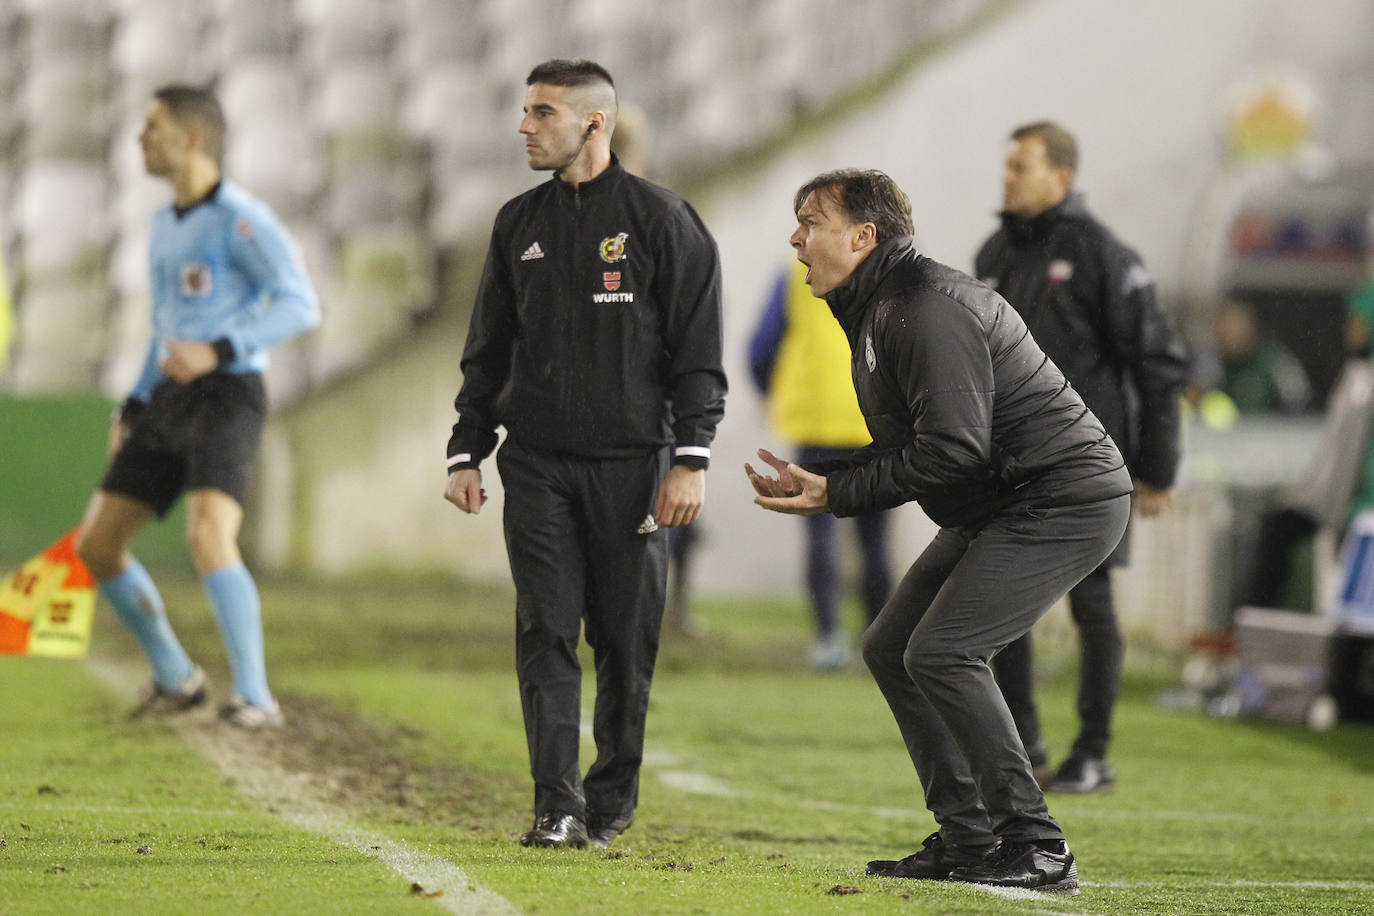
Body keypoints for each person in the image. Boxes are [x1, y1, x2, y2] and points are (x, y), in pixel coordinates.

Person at [747, 169, 1131, 893]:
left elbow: (955, 447)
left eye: (810, 222)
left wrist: (840, 490)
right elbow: (928, 442)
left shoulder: (924, 305)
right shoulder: (878, 305)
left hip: (1061, 496)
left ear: (863, 237)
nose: (796, 240)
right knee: (892, 647)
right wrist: (830, 481)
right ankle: (968, 835)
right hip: (1005, 499)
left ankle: (1037, 844)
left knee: (945, 652)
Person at [443, 59, 726, 850]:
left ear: (594, 123)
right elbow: (488, 352)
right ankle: (557, 805)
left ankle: (611, 797)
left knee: (625, 641)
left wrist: (691, 458)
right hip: (535, 465)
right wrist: (466, 452)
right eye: (526, 111)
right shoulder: (516, 224)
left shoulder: (665, 221)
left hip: (636, 466)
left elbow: (698, 355)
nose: (525, 126)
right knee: (544, 629)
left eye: (542, 112)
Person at [76, 85, 321, 729]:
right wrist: (131, 404)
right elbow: (165, 327)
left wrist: (220, 347)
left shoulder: (243, 218)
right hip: (167, 396)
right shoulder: (163, 226)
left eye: (152, 125)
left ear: (191, 139)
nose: (141, 137)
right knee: (98, 545)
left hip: (228, 393)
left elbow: (300, 302)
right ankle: (176, 678)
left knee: (208, 535)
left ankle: (256, 697)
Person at [974, 121, 1190, 793]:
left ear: (1060, 177)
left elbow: (1156, 364)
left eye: (1021, 166)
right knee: (1002, 604)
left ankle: (1093, 752)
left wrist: (1157, 470)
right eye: (1006, 165)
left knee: (1092, 607)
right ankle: (1027, 747)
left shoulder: (1104, 256)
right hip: (1008, 461)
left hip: (1091, 464)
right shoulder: (994, 254)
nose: (1007, 177)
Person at [748, 260, 892, 668]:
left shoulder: (796, 275)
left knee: (820, 533)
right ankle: (877, 639)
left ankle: (829, 639)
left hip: (818, 420)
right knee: (875, 539)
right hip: (877, 421)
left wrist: (767, 390)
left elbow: (761, 347)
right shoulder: (891, 271)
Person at [1238, 285, 1374, 610]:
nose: (1349, 329)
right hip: (1345, 501)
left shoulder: (1362, 383)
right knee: (1276, 531)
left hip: (1357, 505)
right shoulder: (1358, 376)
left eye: (1356, 321)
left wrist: (1337, 510)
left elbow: (1347, 461)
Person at [1199, 297, 1311, 415]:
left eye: (1234, 326)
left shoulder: (1274, 360)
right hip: (1225, 432)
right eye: (1222, 327)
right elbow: (1192, 398)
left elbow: (1298, 399)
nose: (1227, 334)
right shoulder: (1211, 363)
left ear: (1250, 328)